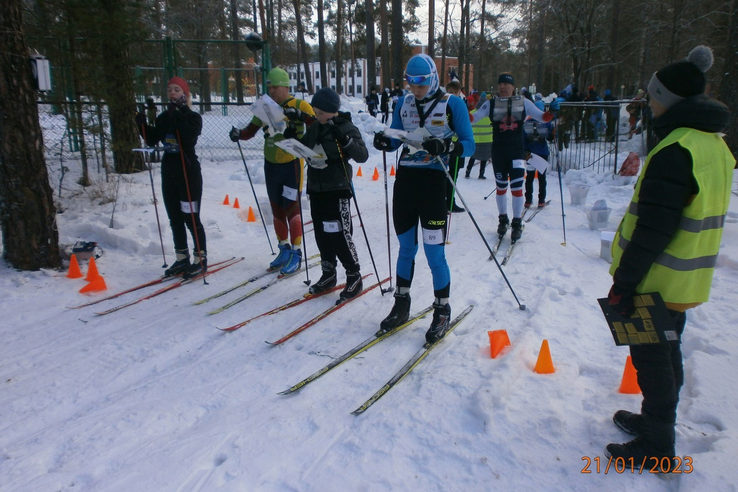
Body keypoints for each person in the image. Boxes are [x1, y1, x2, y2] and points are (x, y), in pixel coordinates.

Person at [606, 46, 734, 466]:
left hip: (655, 281)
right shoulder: (712, 144)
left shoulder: (677, 149)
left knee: (652, 361)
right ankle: (653, 423)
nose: (649, 101)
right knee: (666, 353)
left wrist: (624, 283)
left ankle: (657, 445)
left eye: (653, 95)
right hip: (683, 279)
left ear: (670, 101)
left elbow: (654, 229)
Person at [372, 54, 475, 343]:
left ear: (433, 79)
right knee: (406, 248)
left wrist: (446, 145)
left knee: (434, 253)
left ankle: (442, 309)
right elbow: (395, 136)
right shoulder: (403, 103)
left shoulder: (452, 104)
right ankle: (401, 302)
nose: (415, 90)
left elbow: (469, 144)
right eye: (411, 84)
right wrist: (384, 140)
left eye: (422, 84)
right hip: (406, 182)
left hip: (433, 184)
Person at [229, 68, 316, 274]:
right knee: (276, 208)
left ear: (285, 86)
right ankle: (283, 248)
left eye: (275, 87)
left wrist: (301, 117)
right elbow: (250, 131)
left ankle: (296, 253)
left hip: (291, 163)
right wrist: (238, 134)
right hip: (271, 164)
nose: (272, 90)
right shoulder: (266, 106)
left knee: (292, 207)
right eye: (269, 87)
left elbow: (317, 126)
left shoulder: (298, 104)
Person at [291, 88, 369, 302]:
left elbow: (362, 155)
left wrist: (345, 140)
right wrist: (294, 142)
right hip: (317, 187)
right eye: (315, 112)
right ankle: (329, 273)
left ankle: (354, 275)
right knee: (321, 233)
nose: (316, 116)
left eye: (320, 112)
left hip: (337, 187)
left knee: (339, 232)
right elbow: (306, 147)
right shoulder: (316, 126)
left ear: (332, 111)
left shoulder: (346, 127)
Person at [135, 77, 207, 279]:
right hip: (169, 172)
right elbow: (152, 138)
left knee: (190, 217)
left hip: (188, 173)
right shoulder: (165, 117)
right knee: (174, 216)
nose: (172, 93)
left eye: (177, 90)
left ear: (185, 94)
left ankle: (200, 258)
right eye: (169, 90)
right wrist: (142, 125)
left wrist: (180, 114)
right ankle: (181, 257)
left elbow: (189, 137)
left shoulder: (192, 116)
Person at [471, 72, 553, 242]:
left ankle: (517, 222)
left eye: (506, 85)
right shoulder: (491, 104)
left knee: (516, 188)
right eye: (500, 84)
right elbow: (474, 118)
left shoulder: (524, 103)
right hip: (499, 153)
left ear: (513, 87)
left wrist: (553, 110)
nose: (502, 87)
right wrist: (460, 110)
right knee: (501, 188)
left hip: (516, 152)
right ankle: (503, 220)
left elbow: (543, 117)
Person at [444, 80, 467, 213]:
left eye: (455, 92)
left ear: (459, 93)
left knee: (454, 175)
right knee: (445, 174)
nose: (452, 95)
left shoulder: (461, 105)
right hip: (447, 145)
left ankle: (450, 201)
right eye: (450, 92)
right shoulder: (443, 106)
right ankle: (443, 201)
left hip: (457, 146)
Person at [523, 117, 554, 208]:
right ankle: (541, 200)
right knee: (542, 177)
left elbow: (523, 139)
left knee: (530, 177)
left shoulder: (526, 123)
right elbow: (550, 137)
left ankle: (528, 200)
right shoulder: (545, 122)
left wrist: (525, 151)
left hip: (530, 154)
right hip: (542, 153)